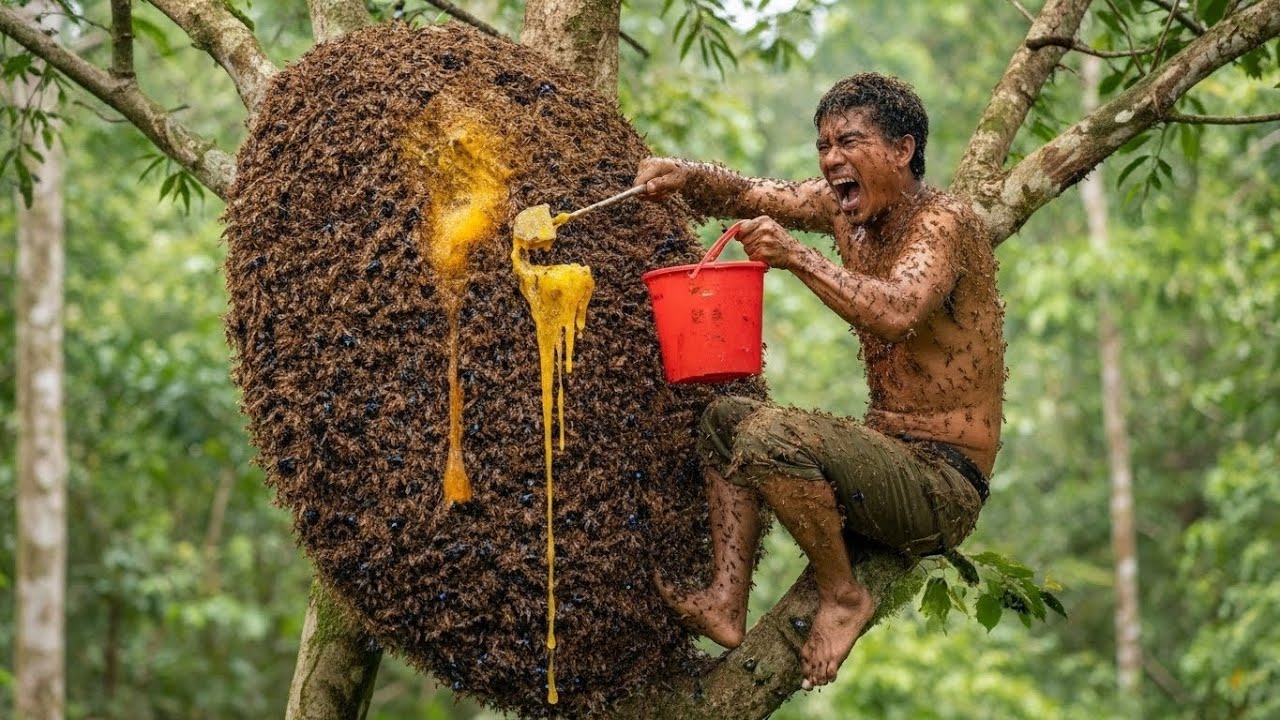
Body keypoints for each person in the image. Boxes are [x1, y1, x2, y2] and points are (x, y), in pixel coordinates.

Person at [633, 73, 1005, 690]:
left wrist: (798, 257)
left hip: (941, 483)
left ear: (903, 149)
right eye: (823, 145)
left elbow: (897, 312)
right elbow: (752, 191)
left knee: (771, 435)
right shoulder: (845, 212)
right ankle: (727, 602)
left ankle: (843, 595)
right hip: (885, 456)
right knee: (725, 418)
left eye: (849, 141)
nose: (832, 159)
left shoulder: (944, 221)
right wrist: (684, 175)